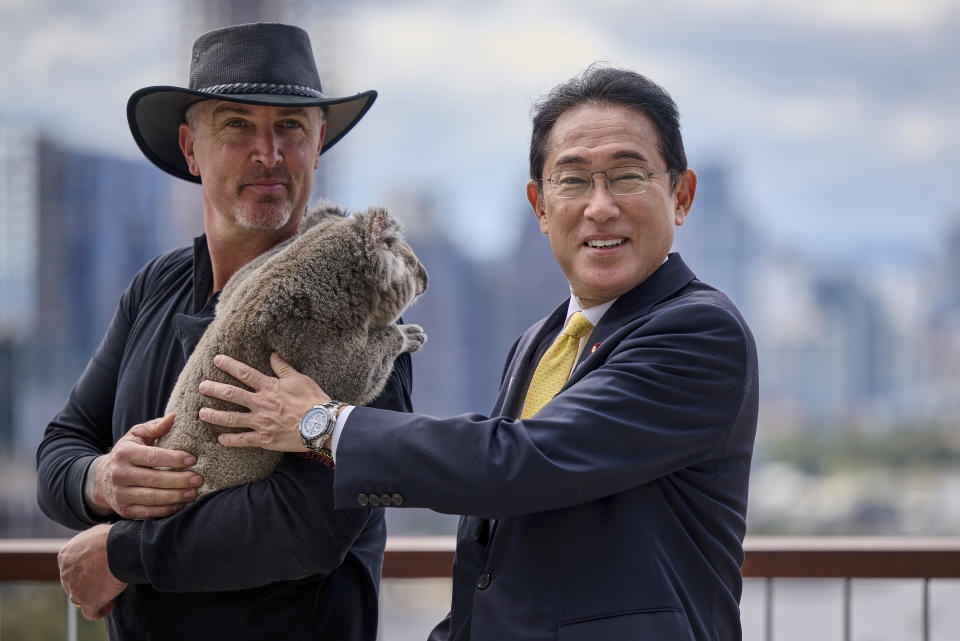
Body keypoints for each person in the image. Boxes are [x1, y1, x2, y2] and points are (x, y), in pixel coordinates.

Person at [199, 65, 760, 640]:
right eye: (572, 180)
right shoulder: (540, 341)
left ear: (681, 196)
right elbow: (494, 555)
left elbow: (516, 464)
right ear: (540, 207)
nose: (599, 206)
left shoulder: (698, 332)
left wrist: (324, 424)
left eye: (627, 175)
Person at [35, 23, 411, 641]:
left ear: (318, 146)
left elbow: (307, 525)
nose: (269, 152)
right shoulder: (157, 285)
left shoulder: (360, 300)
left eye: (291, 126)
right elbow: (62, 445)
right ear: (191, 148)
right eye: (237, 124)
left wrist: (121, 554)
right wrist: (102, 479)